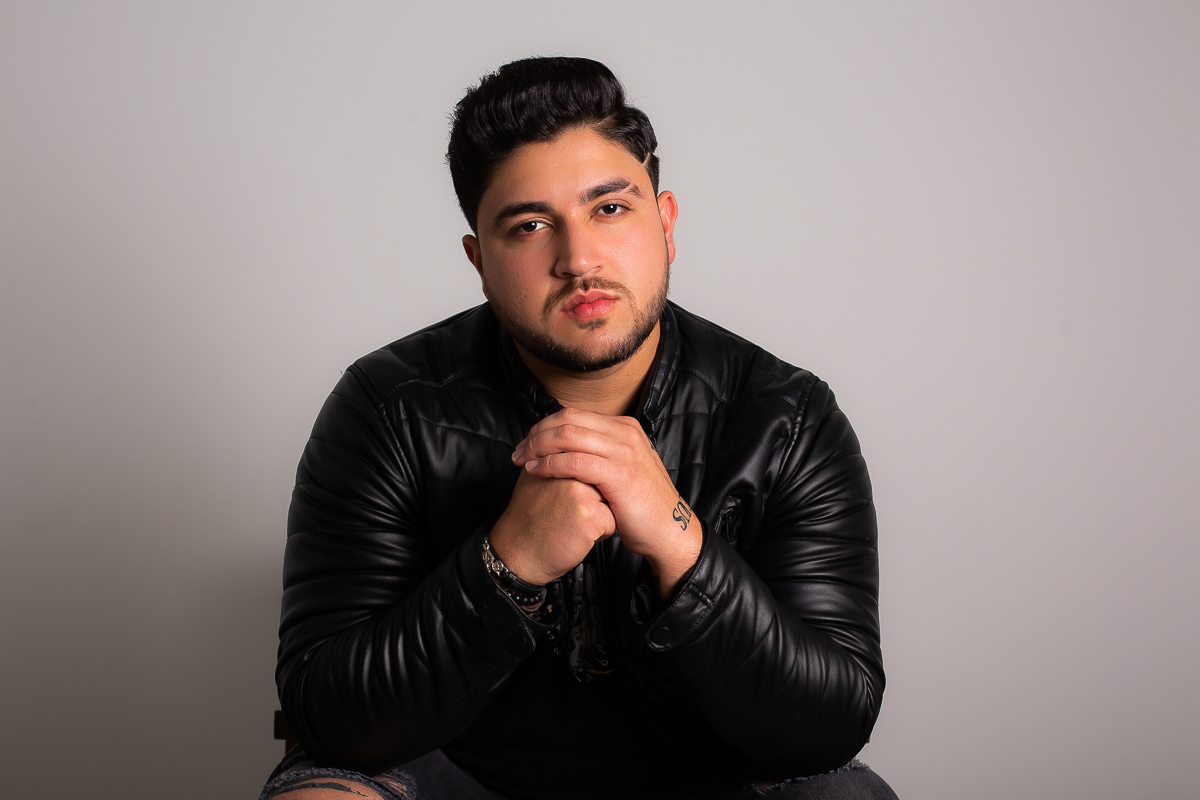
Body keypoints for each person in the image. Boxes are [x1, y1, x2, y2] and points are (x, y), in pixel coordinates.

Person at [260, 56, 896, 800]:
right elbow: (329, 711)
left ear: (665, 223)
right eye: (530, 226)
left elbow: (830, 727)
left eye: (611, 209)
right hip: (455, 779)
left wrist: (679, 543)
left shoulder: (787, 418)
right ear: (479, 259)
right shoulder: (388, 406)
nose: (578, 259)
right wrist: (508, 563)